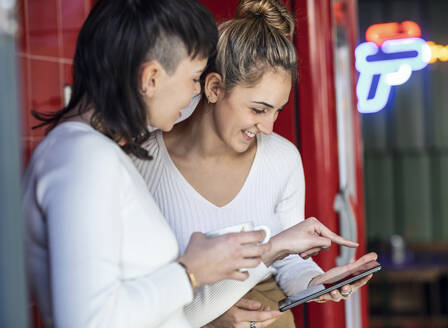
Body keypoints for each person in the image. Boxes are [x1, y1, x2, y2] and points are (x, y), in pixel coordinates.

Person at [22, 1, 273, 327]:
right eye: (194, 77)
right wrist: (190, 271)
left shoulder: (93, 153)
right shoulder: (84, 159)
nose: (195, 92)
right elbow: (89, 321)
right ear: (151, 77)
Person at [132, 0, 376, 327]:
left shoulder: (282, 159)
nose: (269, 128)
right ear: (214, 87)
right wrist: (210, 318)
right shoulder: (141, 164)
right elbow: (135, 294)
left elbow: (287, 263)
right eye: (259, 110)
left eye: (278, 111)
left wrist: (314, 283)